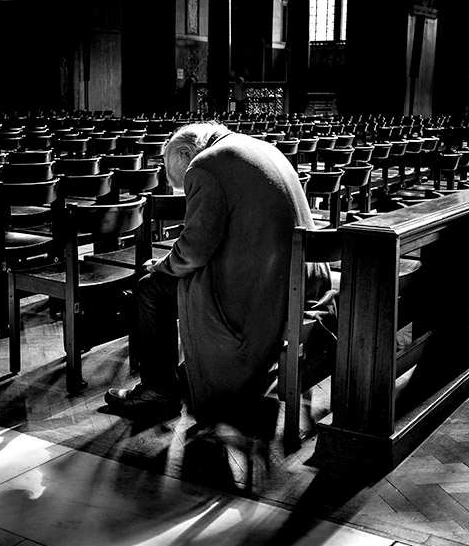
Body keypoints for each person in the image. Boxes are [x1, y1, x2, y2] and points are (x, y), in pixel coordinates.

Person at [104, 122, 331, 435]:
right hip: (301, 284)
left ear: (186, 152)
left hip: (261, 298)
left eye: (183, 182)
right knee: (169, 279)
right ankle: (184, 375)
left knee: (150, 288)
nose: (186, 188)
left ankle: (158, 394)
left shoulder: (207, 164)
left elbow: (194, 252)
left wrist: (163, 264)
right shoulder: (261, 148)